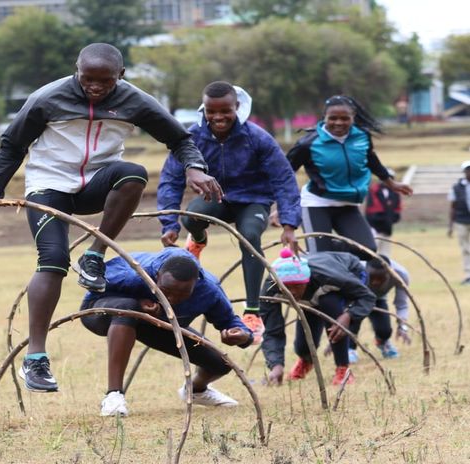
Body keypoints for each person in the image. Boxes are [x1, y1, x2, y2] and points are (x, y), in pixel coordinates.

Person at [0, 43, 222, 393]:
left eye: (105, 80)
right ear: (77, 70)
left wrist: (194, 168)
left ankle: (95, 255)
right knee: (53, 261)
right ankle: (36, 358)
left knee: (133, 173)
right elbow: (11, 147)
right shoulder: (47, 98)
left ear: (121, 75)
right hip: (49, 184)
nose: (95, 87)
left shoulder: (135, 101)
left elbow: (180, 139)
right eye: (88, 79)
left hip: (99, 184)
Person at [157, 81, 301, 344]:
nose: (218, 117)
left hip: (253, 200)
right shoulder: (193, 137)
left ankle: (252, 312)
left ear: (238, 107)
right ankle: (198, 240)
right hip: (216, 197)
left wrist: (290, 223)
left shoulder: (257, 138)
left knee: (249, 235)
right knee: (191, 217)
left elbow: (284, 179)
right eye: (211, 112)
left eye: (226, 111)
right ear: (204, 109)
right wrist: (169, 224)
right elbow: (171, 178)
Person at [79, 247, 253, 416]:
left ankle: (196, 391)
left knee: (220, 363)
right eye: (166, 291)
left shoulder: (208, 289)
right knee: (127, 307)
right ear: (157, 276)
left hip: (156, 326)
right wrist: (138, 303)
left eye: (183, 294)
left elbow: (229, 321)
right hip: (101, 314)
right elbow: (91, 280)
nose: (172, 299)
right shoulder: (134, 272)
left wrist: (242, 335)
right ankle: (113, 395)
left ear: (196, 284)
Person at [286, 95, 412, 259]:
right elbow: (286, 174)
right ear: (324, 117)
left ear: (353, 117)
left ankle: (321, 251)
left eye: (345, 118)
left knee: (367, 249)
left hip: (347, 204)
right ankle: (319, 254)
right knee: (321, 259)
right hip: (316, 203)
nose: (339, 123)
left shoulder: (362, 137)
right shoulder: (308, 143)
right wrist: (285, 207)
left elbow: (371, 160)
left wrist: (391, 183)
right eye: (333, 118)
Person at [260, 249, 375, 386]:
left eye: (297, 286)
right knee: (309, 314)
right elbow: (272, 329)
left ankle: (343, 368)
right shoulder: (270, 288)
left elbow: (367, 297)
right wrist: (276, 365)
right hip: (318, 286)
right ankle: (306, 359)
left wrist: (349, 315)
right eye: (286, 287)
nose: (292, 293)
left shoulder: (330, 277)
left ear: (306, 281)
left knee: (329, 304)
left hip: (351, 272)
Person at [345, 256, 410, 363]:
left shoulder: (401, 275)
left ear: (390, 274)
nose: (375, 283)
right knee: (352, 323)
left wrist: (402, 326)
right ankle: (349, 348)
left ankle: (383, 342)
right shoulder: (356, 268)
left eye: (381, 278)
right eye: (372, 277)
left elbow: (401, 304)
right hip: (357, 298)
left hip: (378, 299)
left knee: (385, 331)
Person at [364, 168, 402, 256]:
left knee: (385, 252)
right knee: (373, 249)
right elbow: (373, 208)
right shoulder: (374, 190)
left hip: (387, 227)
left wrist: (391, 219)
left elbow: (397, 208)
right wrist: (382, 220)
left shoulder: (395, 193)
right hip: (375, 226)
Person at [448, 160, 470, 285]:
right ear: (464, 172)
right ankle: (468, 274)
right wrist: (450, 226)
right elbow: (452, 206)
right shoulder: (457, 187)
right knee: (465, 248)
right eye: (467, 170)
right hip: (461, 221)